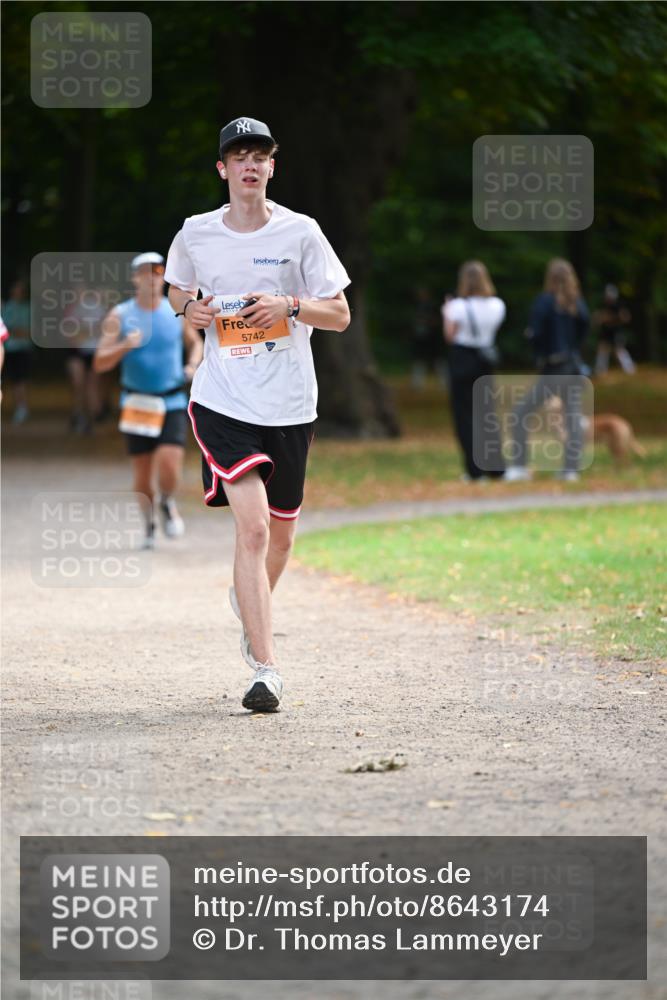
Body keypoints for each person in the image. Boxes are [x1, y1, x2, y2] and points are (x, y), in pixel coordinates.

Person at [165, 116, 350, 712]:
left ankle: (250, 601)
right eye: (239, 156)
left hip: (290, 403)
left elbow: (339, 314)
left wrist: (290, 305)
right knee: (254, 529)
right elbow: (177, 288)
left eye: (260, 156)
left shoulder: (302, 232)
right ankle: (266, 671)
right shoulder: (196, 232)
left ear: (272, 167)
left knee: (281, 538)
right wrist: (189, 310)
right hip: (223, 400)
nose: (250, 165)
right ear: (222, 168)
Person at [94, 252, 203, 547]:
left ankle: (167, 501)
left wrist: (192, 366)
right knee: (142, 474)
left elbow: (196, 344)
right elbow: (100, 362)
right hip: (137, 403)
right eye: (145, 272)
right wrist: (124, 346)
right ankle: (149, 524)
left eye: (158, 272)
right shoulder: (120, 315)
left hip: (171, 401)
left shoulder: (175, 312)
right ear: (134, 278)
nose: (152, 277)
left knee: (169, 465)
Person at [504, 258, 589, 483]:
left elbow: (535, 333)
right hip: (574, 367)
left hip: (554, 367)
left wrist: (537, 350)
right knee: (572, 417)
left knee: (520, 413)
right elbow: (584, 331)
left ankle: (519, 467)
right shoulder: (577, 304)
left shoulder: (545, 302)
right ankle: (571, 470)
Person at [442, 261, 506, 482]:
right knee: (487, 414)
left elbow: (450, 335)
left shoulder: (457, 306)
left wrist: (446, 313)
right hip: (485, 360)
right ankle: (496, 467)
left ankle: (475, 470)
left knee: (465, 415)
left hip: (462, 358)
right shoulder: (497, 305)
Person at [1, 278, 33, 423]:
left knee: (22, 379)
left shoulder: (27, 308)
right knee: (15, 380)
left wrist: (17, 331)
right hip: (11, 350)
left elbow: (30, 331)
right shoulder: (6, 308)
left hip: (24, 349)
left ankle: (22, 407)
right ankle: (20, 407)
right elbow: (8, 330)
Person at [593, 283, 636, 375]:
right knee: (602, 349)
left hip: (616, 332)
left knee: (619, 350)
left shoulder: (618, 305)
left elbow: (626, 317)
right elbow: (598, 318)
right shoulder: (603, 305)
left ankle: (630, 370)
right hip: (606, 332)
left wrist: (609, 318)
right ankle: (600, 372)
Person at [411, 286, 447, 389]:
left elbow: (439, 320)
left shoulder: (433, 306)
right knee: (419, 359)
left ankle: (444, 382)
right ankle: (417, 384)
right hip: (420, 338)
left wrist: (427, 321)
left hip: (433, 338)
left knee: (438, 360)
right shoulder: (417, 306)